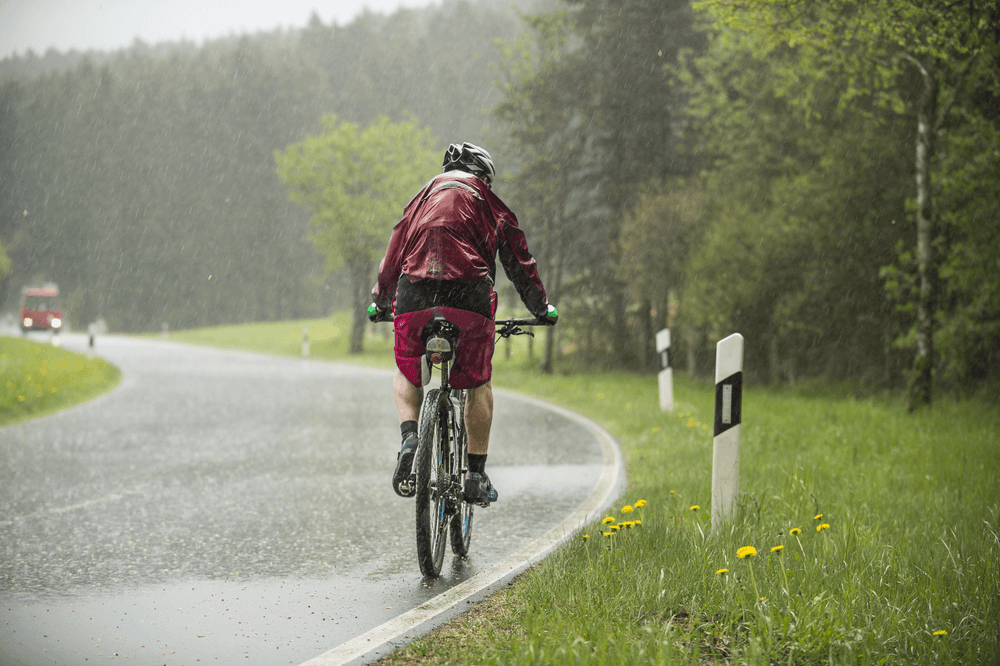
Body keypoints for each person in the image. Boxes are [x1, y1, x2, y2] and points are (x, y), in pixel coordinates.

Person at [368, 142, 557, 506]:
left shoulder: (420, 199)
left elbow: (393, 255)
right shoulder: (489, 201)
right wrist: (541, 307)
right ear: (483, 177)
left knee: (408, 372)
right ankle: (475, 474)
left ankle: (409, 438)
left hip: (415, 295)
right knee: (478, 382)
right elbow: (519, 262)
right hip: (469, 296)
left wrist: (380, 301)